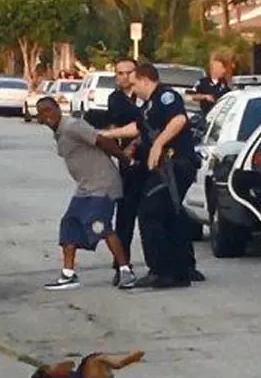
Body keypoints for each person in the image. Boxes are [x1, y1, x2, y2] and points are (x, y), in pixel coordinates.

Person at [102, 63, 204, 288]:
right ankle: (177, 272)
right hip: (164, 168)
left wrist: (158, 144)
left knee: (150, 212)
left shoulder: (166, 96)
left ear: (145, 80)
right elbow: (136, 128)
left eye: (135, 83)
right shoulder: (148, 105)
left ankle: (161, 270)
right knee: (168, 216)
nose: (133, 88)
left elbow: (179, 120)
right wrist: (103, 135)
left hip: (175, 165)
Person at [34, 97, 138, 291]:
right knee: (69, 224)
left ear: (57, 109)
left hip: (102, 184)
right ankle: (68, 274)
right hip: (85, 187)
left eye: (49, 110)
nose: (46, 116)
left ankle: (126, 271)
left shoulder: (73, 125)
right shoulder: (59, 132)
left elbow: (101, 141)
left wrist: (125, 159)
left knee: (99, 225)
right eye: (42, 113)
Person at [106, 57, 149, 287]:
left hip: (151, 159)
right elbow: (117, 128)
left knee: (157, 213)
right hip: (128, 164)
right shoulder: (115, 100)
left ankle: (172, 264)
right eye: (119, 73)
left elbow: (150, 125)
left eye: (127, 72)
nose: (123, 77)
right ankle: (122, 265)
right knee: (124, 216)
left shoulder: (147, 95)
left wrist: (136, 143)